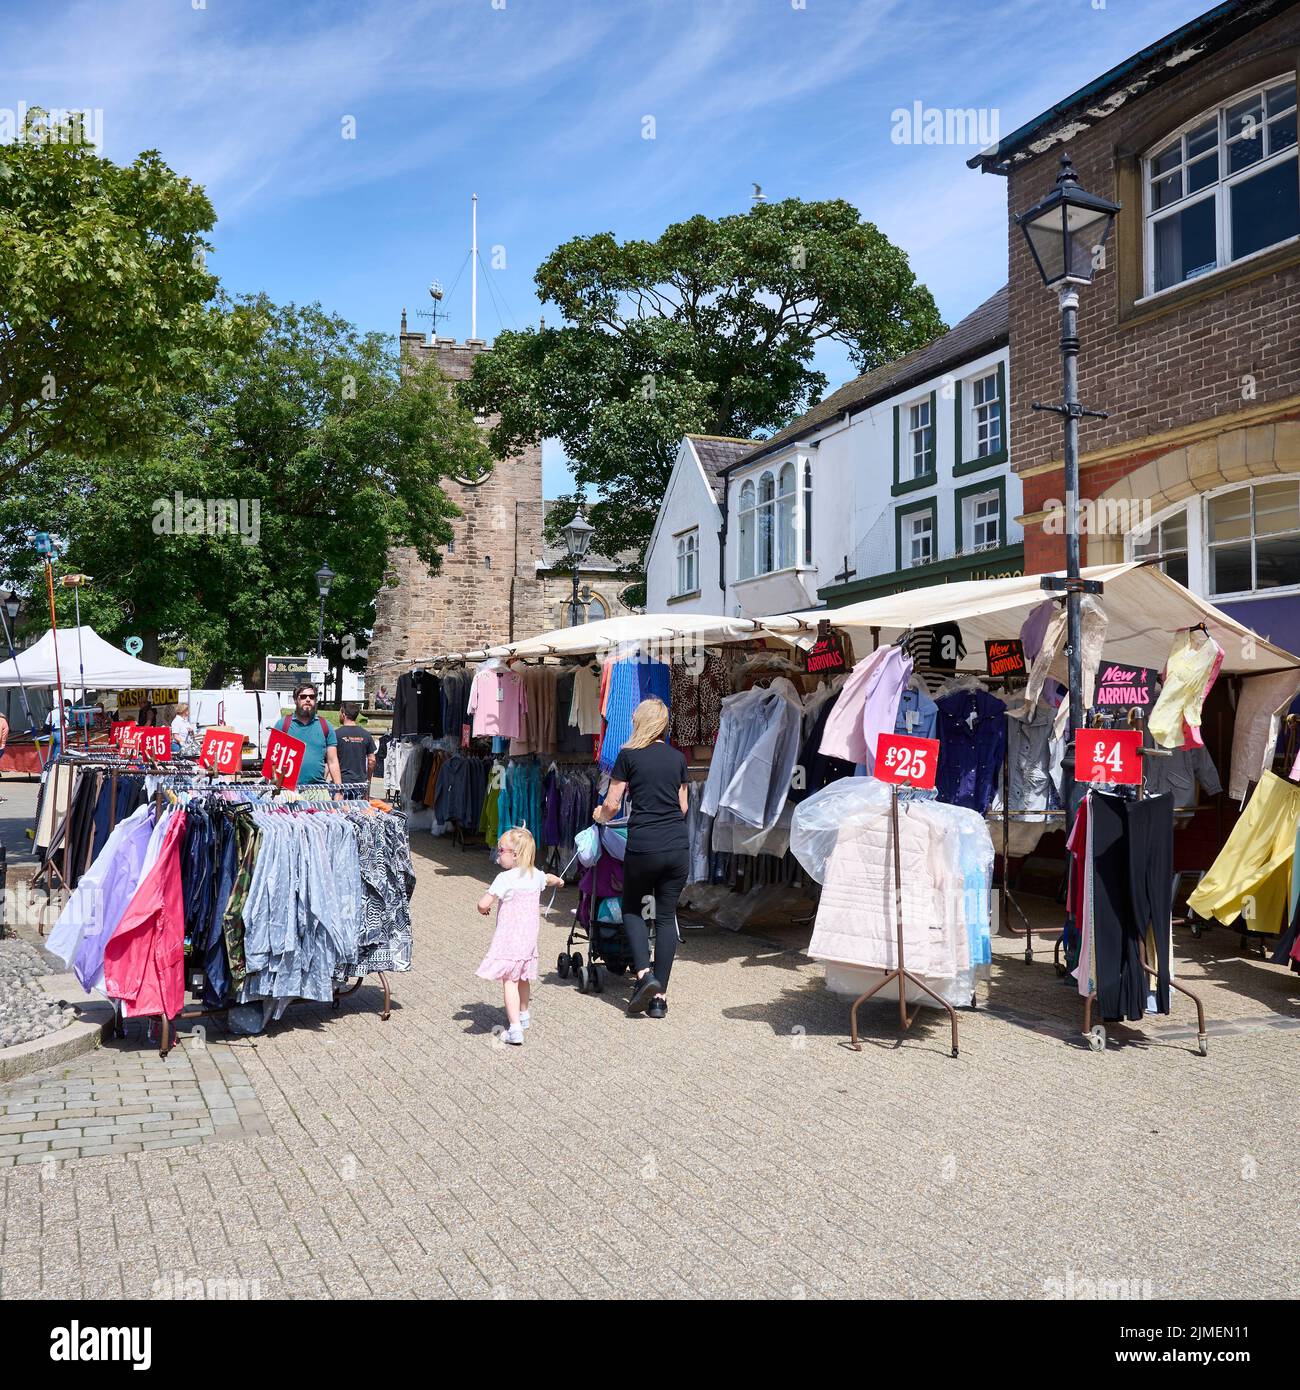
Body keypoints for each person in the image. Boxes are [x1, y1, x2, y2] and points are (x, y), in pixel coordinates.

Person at [592, 696, 688, 1019]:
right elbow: (684, 807)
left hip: (644, 845)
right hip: (676, 847)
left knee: (632, 907)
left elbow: (613, 803)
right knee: (665, 917)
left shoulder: (628, 755)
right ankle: (659, 999)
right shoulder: (678, 759)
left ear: (639, 722)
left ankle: (644, 975)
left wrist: (599, 814)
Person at [476, 827, 564, 1046]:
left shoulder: (504, 878)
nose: (498, 855)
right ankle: (523, 1014)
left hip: (509, 940)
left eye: (500, 850)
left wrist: (483, 907)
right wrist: (560, 882)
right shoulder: (535, 875)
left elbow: (483, 904)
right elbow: (550, 878)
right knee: (523, 976)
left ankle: (514, 1029)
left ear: (514, 854)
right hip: (528, 940)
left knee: (510, 981)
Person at [276, 682, 342, 790]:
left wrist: (339, 790)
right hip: (286, 789)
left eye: (312, 697)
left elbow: (333, 761)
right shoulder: (282, 725)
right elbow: (273, 761)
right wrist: (274, 789)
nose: (308, 699)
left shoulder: (326, 726)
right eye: (303, 696)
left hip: (317, 789)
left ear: (315, 700)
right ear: (295, 700)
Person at [334, 702, 376, 796]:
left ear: (343, 714)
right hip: (360, 784)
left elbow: (329, 761)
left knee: (340, 810)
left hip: (341, 783)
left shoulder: (336, 734)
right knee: (359, 809)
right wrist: (368, 780)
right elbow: (372, 760)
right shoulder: (366, 734)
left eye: (340, 713)